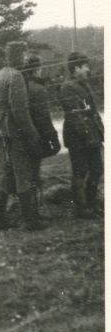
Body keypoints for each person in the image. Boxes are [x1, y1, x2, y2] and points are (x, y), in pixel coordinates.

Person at [0, 41, 44, 231]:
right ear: (18, 56)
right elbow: (20, 112)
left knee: (8, 173)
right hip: (14, 132)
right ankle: (30, 220)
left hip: (1, 131)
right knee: (23, 174)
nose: (25, 58)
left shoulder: (1, 74)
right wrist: (32, 135)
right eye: (23, 55)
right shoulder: (16, 76)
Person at [59, 51, 104, 218]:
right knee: (80, 172)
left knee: (97, 169)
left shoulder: (83, 84)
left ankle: (92, 204)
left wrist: (100, 134)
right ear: (76, 68)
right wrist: (89, 136)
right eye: (85, 66)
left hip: (91, 135)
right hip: (78, 138)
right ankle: (82, 209)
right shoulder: (67, 87)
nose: (88, 70)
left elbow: (93, 112)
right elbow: (75, 116)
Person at [23, 53, 61, 199]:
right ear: (37, 69)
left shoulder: (22, 85)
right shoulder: (38, 89)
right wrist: (53, 137)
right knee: (33, 172)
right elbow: (43, 117)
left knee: (28, 172)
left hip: (25, 133)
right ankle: (35, 209)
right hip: (37, 135)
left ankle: (33, 207)